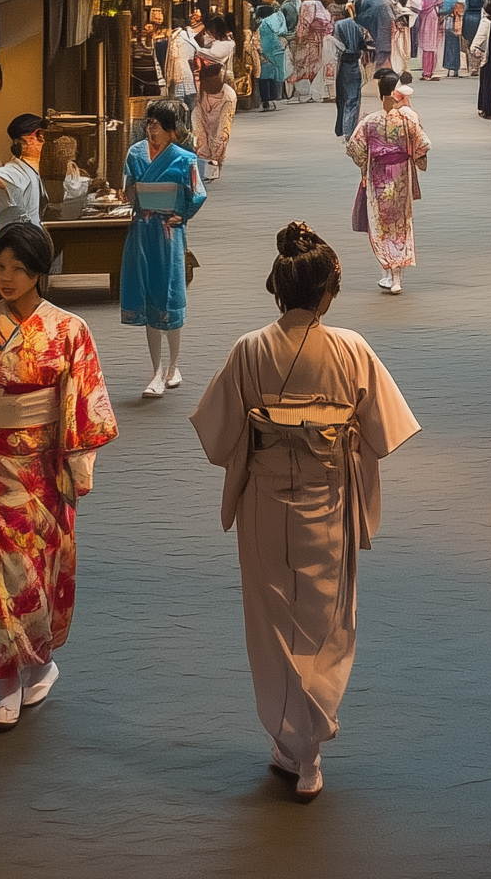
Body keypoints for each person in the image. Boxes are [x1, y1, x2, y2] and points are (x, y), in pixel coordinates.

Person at [189, 223, 422, 802]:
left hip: (266, 502)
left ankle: (292, 741)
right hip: (329, 497)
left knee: (271, 619)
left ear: (277, 290)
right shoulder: (351, 349)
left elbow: (218, 435)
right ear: (328, 293)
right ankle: (307, 745)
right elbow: (382, 431)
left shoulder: (249, 349)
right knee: (324, 617)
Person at [0, 222, 120, 729]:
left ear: (39, 272)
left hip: (44, 468)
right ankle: (7, 681)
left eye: (18, 269)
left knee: (38, 575)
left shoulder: (69, 331)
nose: (6, 277)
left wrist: (74, 465)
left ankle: (40, 664)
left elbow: (84, 404)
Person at [119, 99, 208, 398]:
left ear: (171, 131)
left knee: (169, 293)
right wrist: (131, 192)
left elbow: (197, 193)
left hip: (169, 231)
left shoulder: (185, 159)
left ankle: (173, 364)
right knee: (146, 293)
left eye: (157, 124)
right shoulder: (135, 153)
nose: (151, 128)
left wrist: (182, 214)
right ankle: (156, 368)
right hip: (143, 230)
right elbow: (128, 190)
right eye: (149, 122)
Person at [345, 68, 430, 293]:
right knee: (401, 223)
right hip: (401, 174)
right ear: (394, 93)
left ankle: (387, 270)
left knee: (380, 223)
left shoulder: (369, 121)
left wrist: (365, 165)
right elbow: (422, 146)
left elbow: (355, 148)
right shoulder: (406, 119)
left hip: (378, 177)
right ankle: (397, 277)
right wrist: (417, 159)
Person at [0, 114, 49, 240]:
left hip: (37, 240)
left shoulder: (38, 170)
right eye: (41, 135)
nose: (46, 141)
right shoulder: (13, 172)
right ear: (28, 139)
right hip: (21, 243)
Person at [195, 11, 239, 176]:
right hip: (205, 91)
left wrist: (197, 49)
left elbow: (214, 55)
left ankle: (216, 162)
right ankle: (208, 162)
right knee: (203, 129)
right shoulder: (209, 42)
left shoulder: (227, 44)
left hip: (221, 90)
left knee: (220, 130)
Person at [331, 0, 373, 139]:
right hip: (353, 63)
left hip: (338, 64)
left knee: (342, 97)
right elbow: (364, 44)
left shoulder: (335, 26)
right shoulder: (355, 25)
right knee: (353, 98)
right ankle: (349, 130)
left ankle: (343, 128)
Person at [297, 0, 336, 104]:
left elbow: (304, 24)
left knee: (309, 66)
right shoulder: (323, 10)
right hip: (324, 41)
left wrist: (299, 38)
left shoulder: (307, 5)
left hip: (311, 42)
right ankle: (322, 92)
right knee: (321, 66)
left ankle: (311, 92)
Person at [255, 0, 292, 114]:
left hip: (264, 56)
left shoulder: (262, 25)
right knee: (271, 78)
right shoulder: (276, 24)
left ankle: (266, 101)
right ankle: (271, 100)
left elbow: (260, 42)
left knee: (264, 79)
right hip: (275, 54)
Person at [354, 0, 396, 71]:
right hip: (384, 40)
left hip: (366, 39)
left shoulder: (362, 1)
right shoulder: (387, 1)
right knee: (383, 68)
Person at [438, 0, 467, 79]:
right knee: (456, 46)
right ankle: (455, 68)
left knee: (448, 45)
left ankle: (448, 67)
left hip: (448, 21)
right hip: (456, 22)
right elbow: (463, 9)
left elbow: (442, 9)